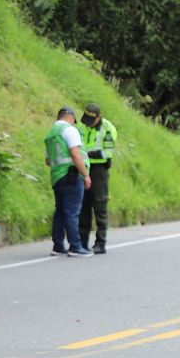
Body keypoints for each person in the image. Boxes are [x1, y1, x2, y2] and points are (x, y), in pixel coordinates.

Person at [44, 106, 92, 256]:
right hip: (71, 175)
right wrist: (85, 174)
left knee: (60, 211)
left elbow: (47, 160)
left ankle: (58, 245)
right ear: (71, 118)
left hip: (56, 176)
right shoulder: (70, 130)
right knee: (72, 211)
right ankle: (75, 246)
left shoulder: (51, 134)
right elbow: (75, 153)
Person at [77, 102, 117, 253]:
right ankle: (82, 241)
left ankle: (101, 242)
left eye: (91, 120)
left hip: (99, 169)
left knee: (100, 205)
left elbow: (106, 154)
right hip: (83, 167)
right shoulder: (82, 126)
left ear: (98, 117)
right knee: (83, 205)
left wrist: (85, 154)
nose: (88, 124)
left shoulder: (108, 129)